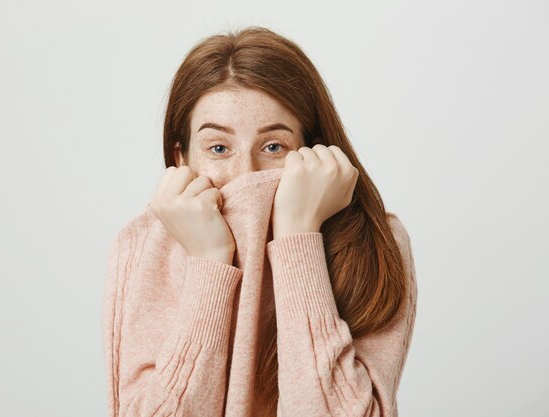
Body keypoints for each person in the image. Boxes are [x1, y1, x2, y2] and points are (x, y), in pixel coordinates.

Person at [102, 26, 417, 417]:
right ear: (180, 158)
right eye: (218, 147)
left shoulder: (373, 241)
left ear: (312, 152)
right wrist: (209, 262)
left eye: (273, 147)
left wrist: (298, 237)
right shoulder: (144, 246)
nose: (245, 174)